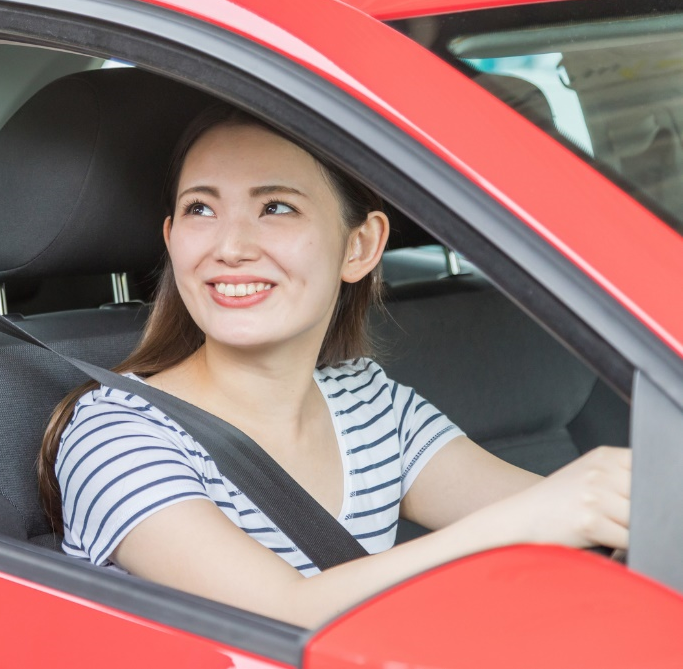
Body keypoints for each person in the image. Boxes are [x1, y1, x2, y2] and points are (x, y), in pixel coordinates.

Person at [37, 105, 631, 629]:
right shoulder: (114, 433)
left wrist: (610, 503)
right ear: (171, 241)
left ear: (359, 247)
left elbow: (559, 506)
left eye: (275, 207)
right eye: (200, 209)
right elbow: (284, 617)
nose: (231, 246)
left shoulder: (367, 401)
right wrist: (547, 513)